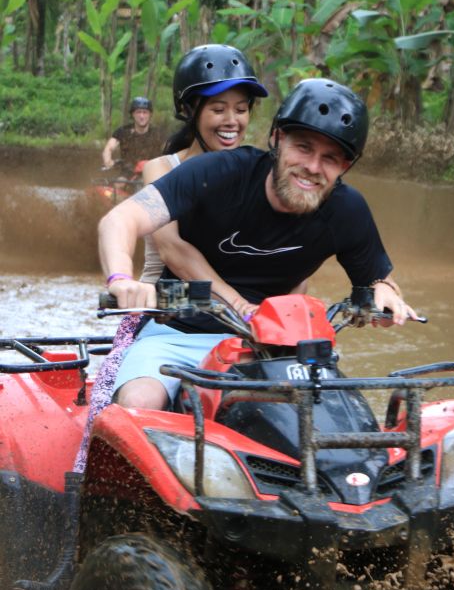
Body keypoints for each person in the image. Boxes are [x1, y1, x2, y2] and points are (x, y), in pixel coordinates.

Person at [12, 45, 269, 590]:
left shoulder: (263, 175)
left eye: (241, 108)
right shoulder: (161, 168)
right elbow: (175, 250)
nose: (231, 121)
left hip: (244, 338)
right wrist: (244, 308)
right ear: (191, 112)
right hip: (165, 322)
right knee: (136, 406)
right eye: (217, 108)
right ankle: (73, 561)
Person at [99, 78, 416, 413]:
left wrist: (384, 293)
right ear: (278, 138)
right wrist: (121, 279)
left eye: (331, 158)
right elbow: (120, 220)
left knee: (335, 419)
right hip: (178, 334)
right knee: (140, 403)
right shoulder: (218, 172)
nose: (312, 167)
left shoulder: (347, 210)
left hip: (275, 351)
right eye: (303, 147)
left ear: (345, 167)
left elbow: (377, 279)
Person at [101, 96, 162, 174]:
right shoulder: (123, 132)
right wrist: (108, 161)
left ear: (150, 114)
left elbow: (170, 151)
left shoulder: (158, 133)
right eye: (138, 112)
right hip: (127, 174)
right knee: (119, 184)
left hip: (153, 173)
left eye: (145, 112)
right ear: (133, 114)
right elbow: (108, 148)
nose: (142, 116)